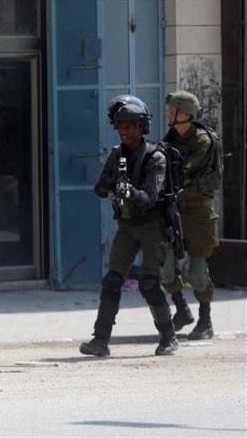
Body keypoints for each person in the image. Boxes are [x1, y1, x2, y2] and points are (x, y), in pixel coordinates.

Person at [80, 94, 179, 357]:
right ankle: (100, 340)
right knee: (112, 280)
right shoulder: (117, 155)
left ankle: (168, 337)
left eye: (128, 125)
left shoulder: (156, 158)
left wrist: (130, 192)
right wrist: (112, 186)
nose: (123, 130)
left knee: (149, 283)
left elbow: (150, 197)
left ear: (141, 127)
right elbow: (99, 189)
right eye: (120, 125)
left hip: (152, 226)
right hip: (127, 225)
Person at [161, 90, 222, 340]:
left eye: (171, 110)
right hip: (174, 210)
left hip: (198, 213)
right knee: (164, 265)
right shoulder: (171, 139)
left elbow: (184, 173)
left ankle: (205, 320)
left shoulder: (203, 141)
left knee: (196, 272)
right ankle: (182, 310)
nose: (168, 114)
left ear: (184, 113)